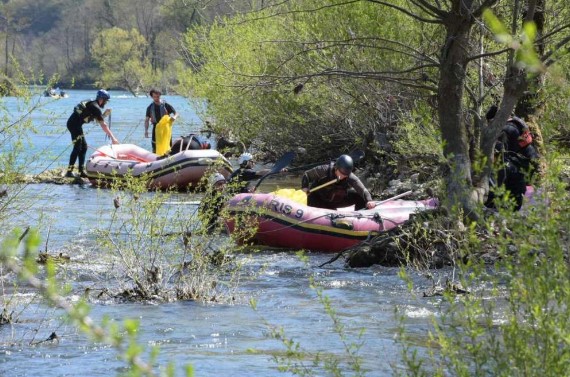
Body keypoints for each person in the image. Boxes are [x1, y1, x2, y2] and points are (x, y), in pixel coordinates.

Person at [485, 106, 540, 211]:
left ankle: (493, 204)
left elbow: (500, 157)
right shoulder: (515, 123)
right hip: (529, 162)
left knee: (497, 171)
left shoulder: (504, 131)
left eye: (490, 123)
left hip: (519, 165)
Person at [65, 89, 118, 178]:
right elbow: (103, 125)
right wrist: (113, 138)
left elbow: (98, 121)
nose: (105, 103)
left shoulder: (93, 105)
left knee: (84, 147)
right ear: (101, 99)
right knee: (77, 147)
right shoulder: (95, 107)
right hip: (73, 125)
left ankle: (81, 171)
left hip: (76, 125)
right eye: (105, 101)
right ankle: (69, 172)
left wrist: (105, 114)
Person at [301, 154, 376, 210]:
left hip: (334, 201)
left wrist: (369, 200)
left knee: (359, 197)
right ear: (336, 168)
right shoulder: (323, 170)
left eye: (346, 175)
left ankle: (359, 219)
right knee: (312, 197)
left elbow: (363, 190)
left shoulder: (349, 176)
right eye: (342, 174)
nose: (343, 176)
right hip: (319, 199)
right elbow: (306, 174)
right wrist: (305, 187)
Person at [144, 89, 178, 153]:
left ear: (160, 95)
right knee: (155, 145)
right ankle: (155, 159)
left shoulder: (166, 105)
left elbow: (176, 113)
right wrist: (146, 131)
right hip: (156, 128)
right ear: (152, 97)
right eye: (155, 97)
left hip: (166, 128)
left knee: (167, 144)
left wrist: (174, 117)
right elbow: (147, 120)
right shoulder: (150, 107)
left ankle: (169, 158)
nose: (157, 98)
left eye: (158, 96)